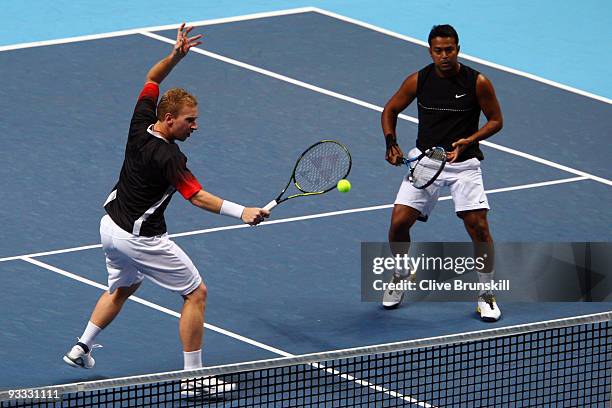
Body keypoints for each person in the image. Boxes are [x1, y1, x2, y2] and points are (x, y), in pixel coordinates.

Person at [63, 24, 269, 395]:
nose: (196, 126)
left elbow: (151, 77)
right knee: (196, 293)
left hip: (109, 227)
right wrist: (243, 212)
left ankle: (82, 347)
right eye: (190, 120)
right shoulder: (170, 156)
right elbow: (197, 196)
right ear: (170, 119)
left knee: (123, 286)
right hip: (141, 239)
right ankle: (194, 377)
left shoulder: (141, 120)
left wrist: (175, 56)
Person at [380, 24, 503, 322]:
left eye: (449, 50)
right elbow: (390, 110)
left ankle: (486, 293)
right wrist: (391, 143)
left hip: (464, 165)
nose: (444, 56)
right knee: (398, 225)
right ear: (430, 51)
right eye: (438, 51)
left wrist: (470, 140)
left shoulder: (478, 82)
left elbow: (496, 120)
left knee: (479, 228)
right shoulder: (418, 80)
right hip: (425, 161)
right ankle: (400, 273)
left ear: (458, 49)